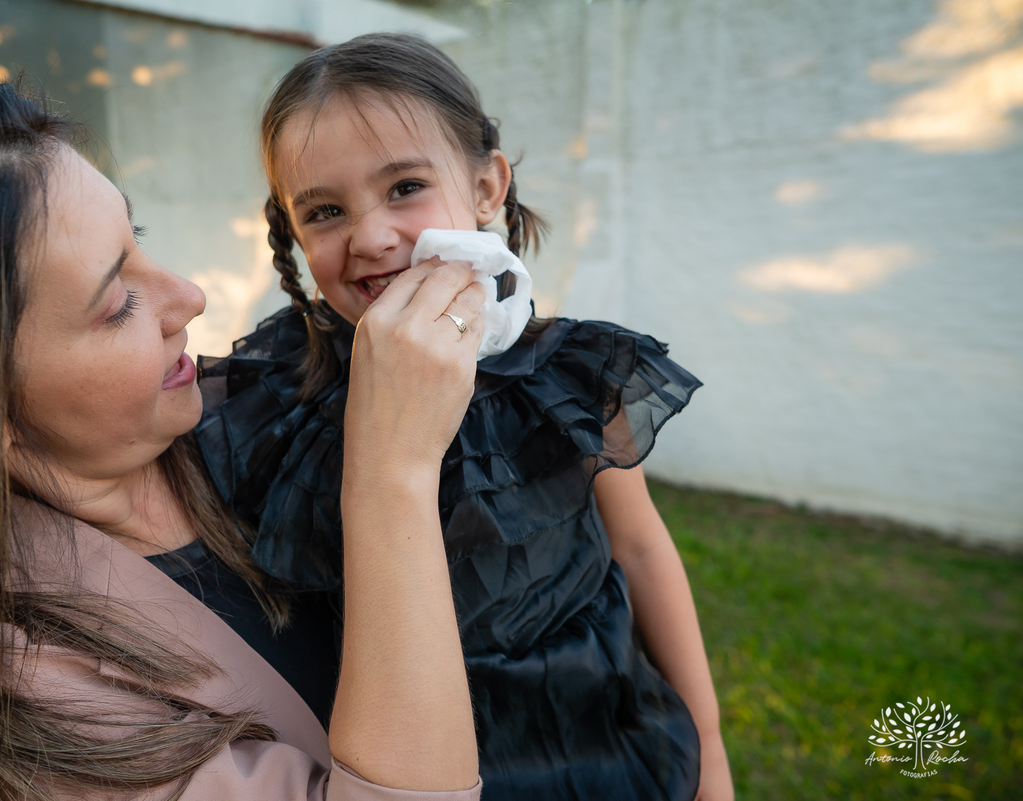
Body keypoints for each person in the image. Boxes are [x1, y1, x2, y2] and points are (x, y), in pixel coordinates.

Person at [0, 60, 488, 801]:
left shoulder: (255, 422)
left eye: (136, 236)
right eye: (115, 304)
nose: (190, 297)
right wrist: (390, 470)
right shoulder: (11, 698)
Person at [196, 33, 735, 801]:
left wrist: (709, 745)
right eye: (325, 210)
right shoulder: (276, 402)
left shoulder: (567, 376)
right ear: (289, 227)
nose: (372, 235)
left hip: (602, 739)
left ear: (487, 187)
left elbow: (642, 550)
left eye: (405, 187)